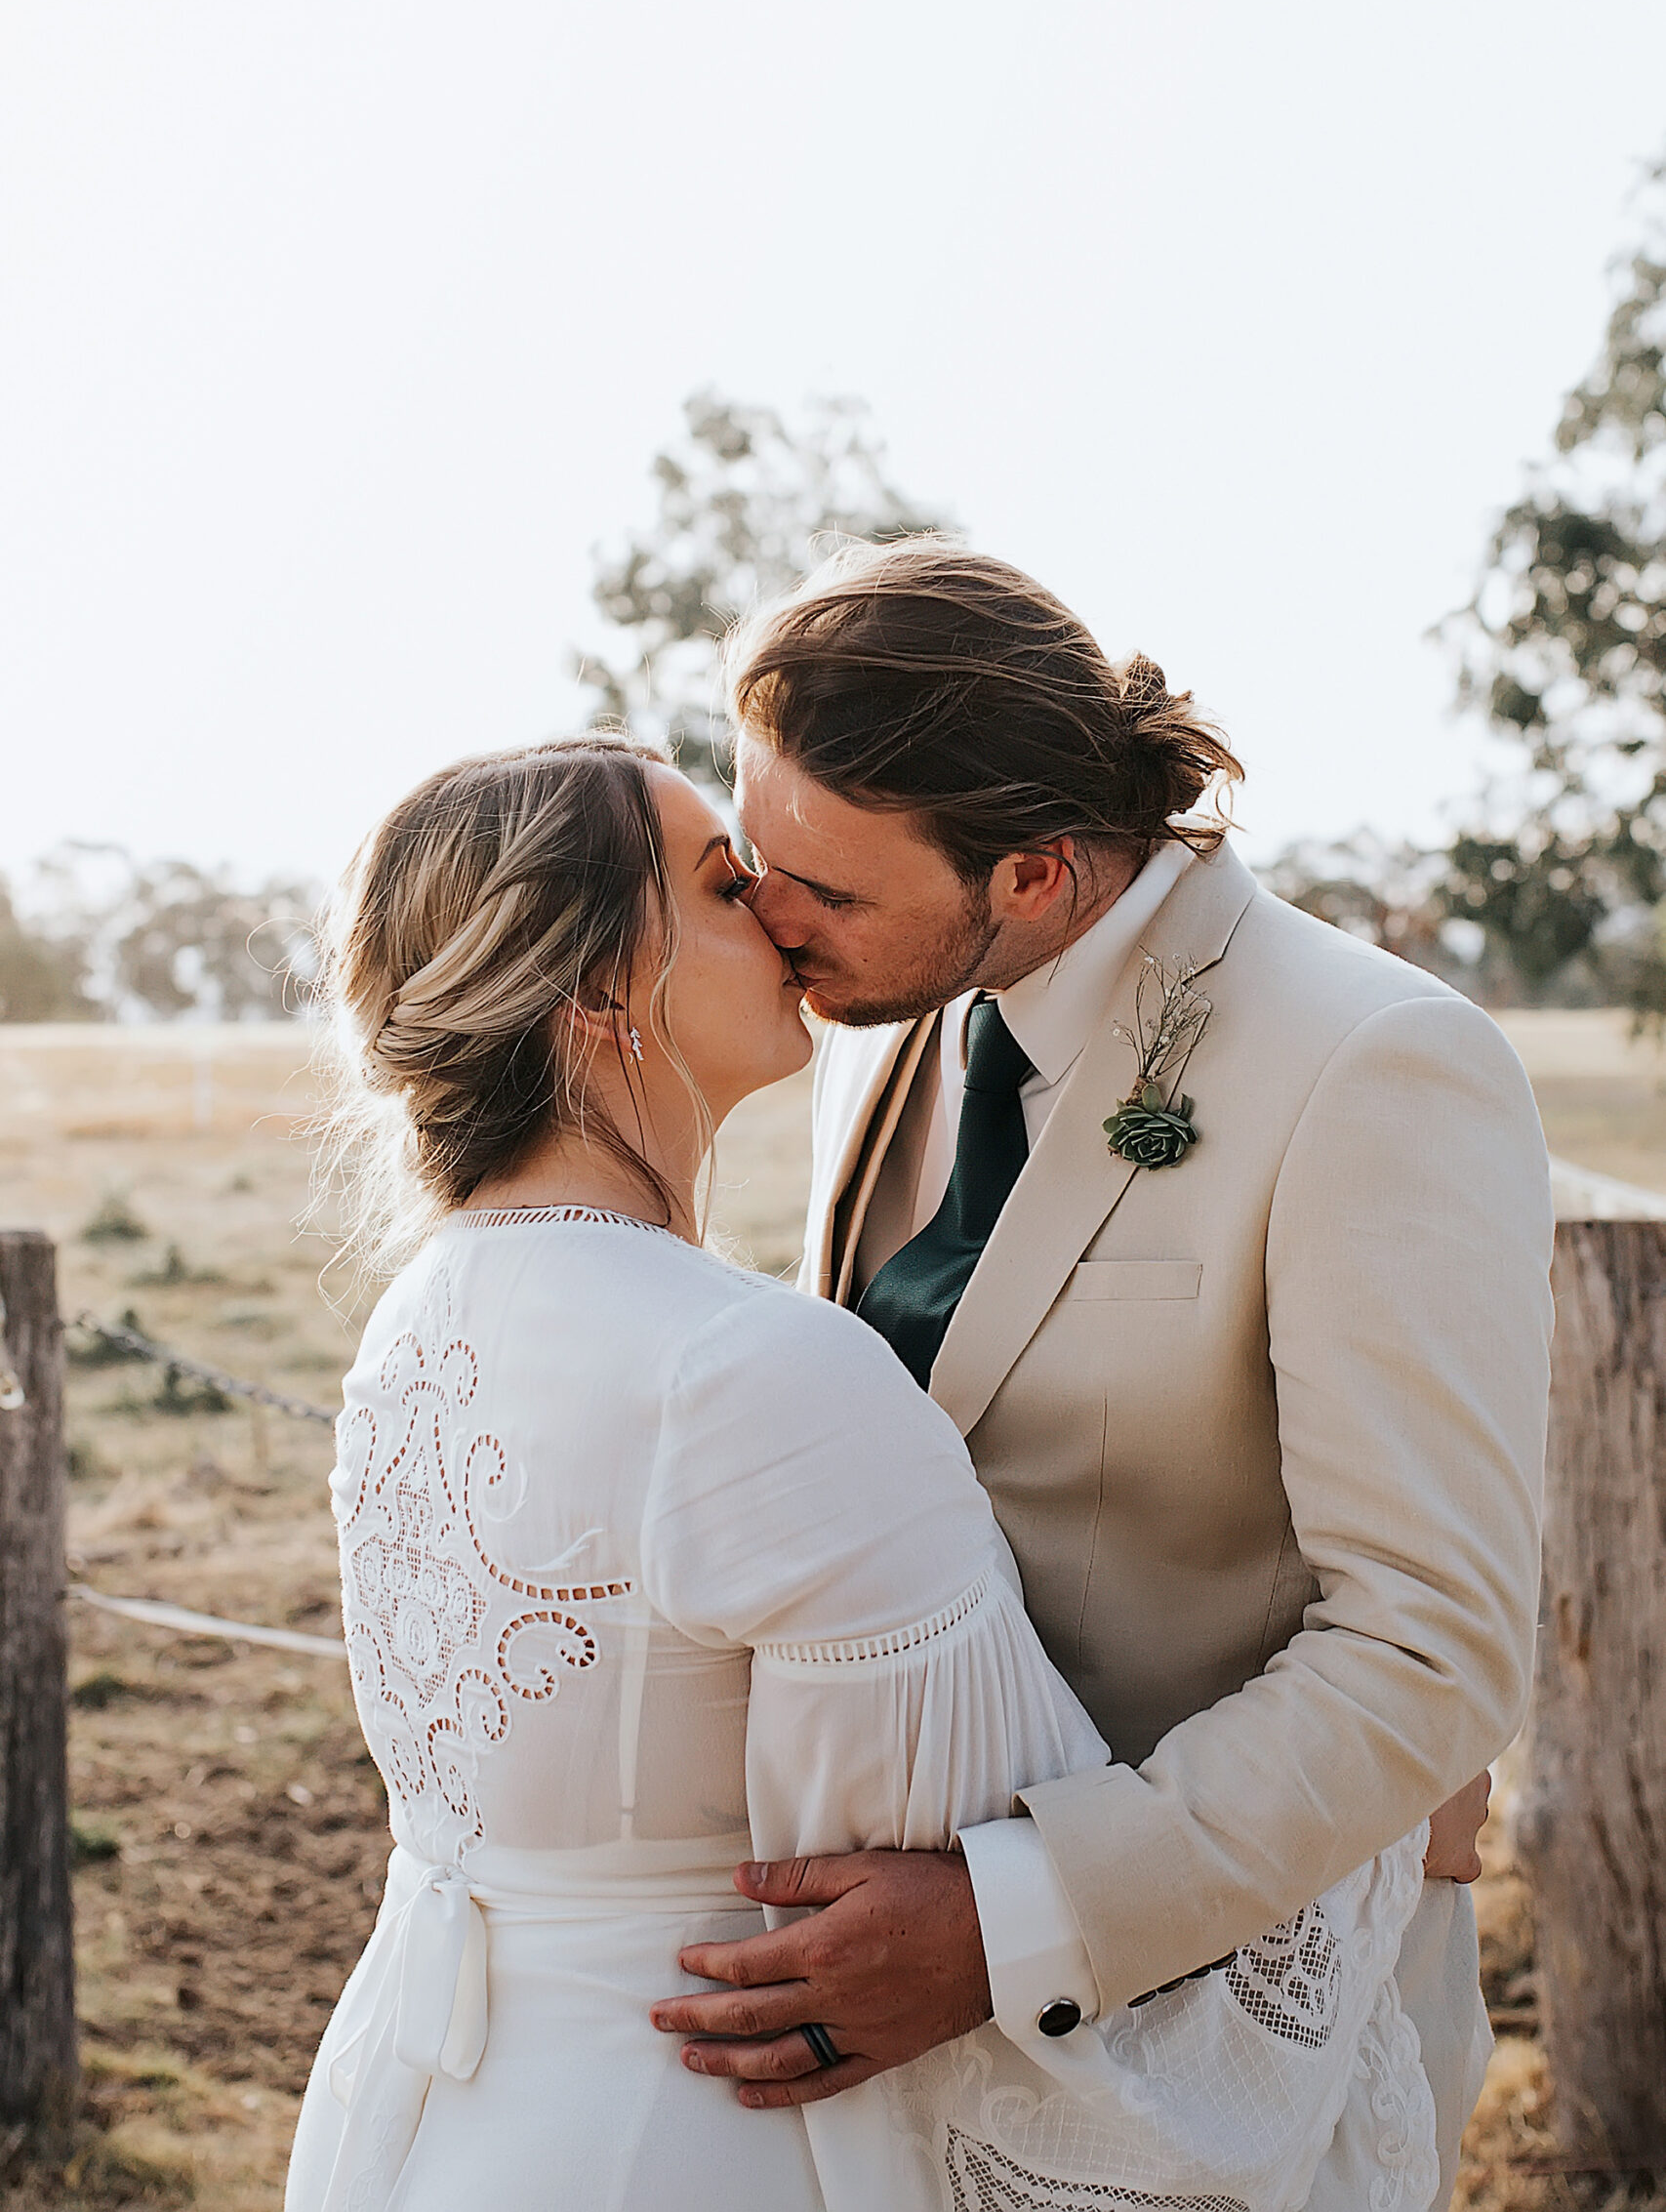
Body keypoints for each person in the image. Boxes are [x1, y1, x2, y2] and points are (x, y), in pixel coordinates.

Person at [286, 733, 1451, 2212]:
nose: (779, 912)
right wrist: (1390, 1819)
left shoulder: (418, 1315)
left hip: (436, 2119)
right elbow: (995, 1873)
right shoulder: (755, 1367)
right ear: (595, 991)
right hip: (704, 2136)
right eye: (723, 883)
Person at [654, 544, 1554, 2212]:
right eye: (761, 861)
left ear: (1041, 873)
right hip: (889, 2027)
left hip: (1213, 2024)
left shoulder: (1379, 1064)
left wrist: (1015, 1921)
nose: (774, 927)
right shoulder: (895, 1018)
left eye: (829, 895)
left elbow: (1435, 1641)